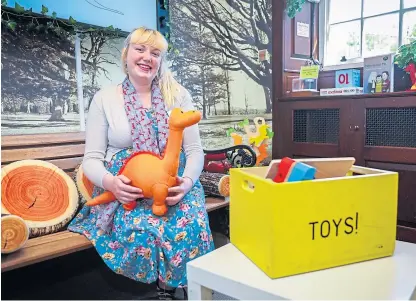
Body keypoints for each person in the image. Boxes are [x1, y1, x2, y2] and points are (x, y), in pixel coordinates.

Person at [68, 26, 215, 300]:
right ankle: (162, 288)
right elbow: (91, 159)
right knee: (143, 234)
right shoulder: (105, 98)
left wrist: (187, 185)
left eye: (155, 53)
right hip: (128, 190)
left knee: (189, 226)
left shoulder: (177, 95)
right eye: (140, 49)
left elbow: (195, 150)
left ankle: (173, 288)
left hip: (174, 184)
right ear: (127, 54)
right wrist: (112, 183)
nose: (148, 57)